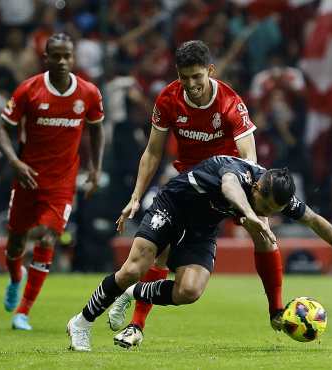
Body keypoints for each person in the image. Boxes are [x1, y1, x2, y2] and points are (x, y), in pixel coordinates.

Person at [66, 155, 332, 352]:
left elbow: (316, 221)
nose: (268, 214)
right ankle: (81, 323)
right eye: (265, 206)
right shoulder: (236, 171)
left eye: (274, 212)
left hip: (202, 228)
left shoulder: (276, 195)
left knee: (190, 291)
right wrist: (249, 213)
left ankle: (133, 293)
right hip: (172, 206)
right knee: (133, 268)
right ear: (259, 187)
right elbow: (231, 189)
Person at [111, 40, 282, 348]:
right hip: (191, 184)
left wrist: (247, 206)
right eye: (184, 77)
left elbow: (249, 159)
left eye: (197, 77)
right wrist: (137, 195)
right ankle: (136, 326)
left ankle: (276, 310)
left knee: (264, 232)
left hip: (231, 184)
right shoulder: (167, 99)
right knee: (162, 250)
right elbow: (152, 152)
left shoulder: (231, 103)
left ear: (210, 71)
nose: (191, 84)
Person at [0, 33, 105, 330]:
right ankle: (16, 278)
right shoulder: (29, 91)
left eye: (66, 56)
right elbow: (1, 130)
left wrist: (95, 168)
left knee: (47, 237)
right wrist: (15, 163)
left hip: (62, 183)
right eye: (55, 55)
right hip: (27, 178)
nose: (61, 61)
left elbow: (96, 130)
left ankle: (23, 312)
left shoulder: (88, 93)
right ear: (46, 58)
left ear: (73, 58)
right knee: (16, 242)